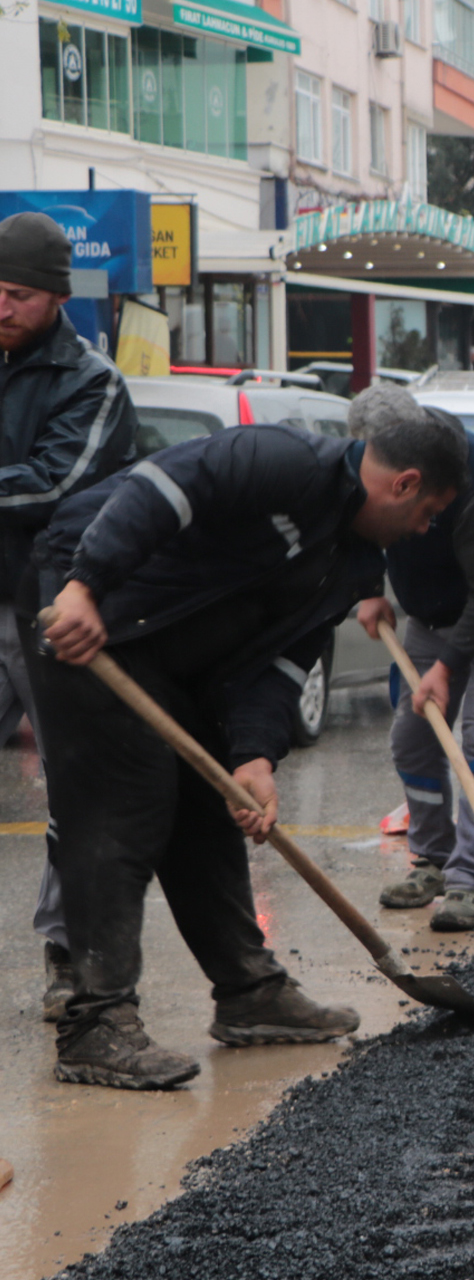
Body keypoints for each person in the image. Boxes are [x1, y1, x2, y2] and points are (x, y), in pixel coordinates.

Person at [25, 406, 467, 1088]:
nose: (426, 528)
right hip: (93, 616)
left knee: (210, 808)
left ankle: (248, 993)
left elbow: (283, 665)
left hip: (178, 659)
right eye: (430, 510)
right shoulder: (282, 460)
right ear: (404, 484)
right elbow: (158, 490)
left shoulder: (351, 565)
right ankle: (95, 1024)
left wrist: (254, 757)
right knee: (124, 809)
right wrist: (84, 585)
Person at [0, 212, 142, 1024]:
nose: (2, 307)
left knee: (76, 791)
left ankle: (71, 957)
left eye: (17, 294)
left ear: (55, 298)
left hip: (54, 605)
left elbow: (57, 486)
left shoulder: (92, 384)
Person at [353, 386, 474, 932]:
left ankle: (469, 882)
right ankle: (433, 861)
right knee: (412, 737)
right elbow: (358, 525)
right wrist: (370, 586)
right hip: (430, 616)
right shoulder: (370, 465)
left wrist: (444, 669)